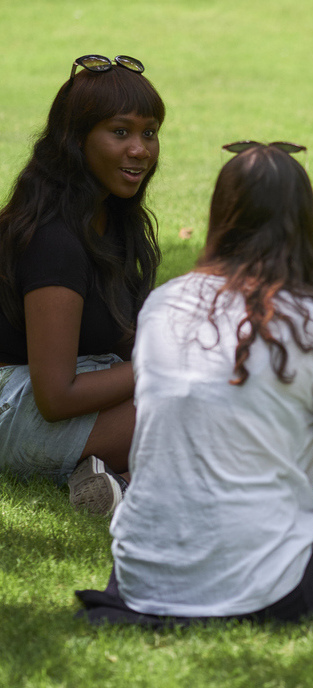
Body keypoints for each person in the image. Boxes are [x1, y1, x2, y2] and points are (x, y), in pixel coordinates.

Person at [76, 142, 313, 626]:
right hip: (260, 583)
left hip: (139, 579)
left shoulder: (162, 303)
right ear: (304, 221)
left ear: (221, 217)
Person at [0, 55, 164, 516]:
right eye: (120, 132)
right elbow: (56, 397)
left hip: (74, 387)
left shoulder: (111, 220)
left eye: (149, 132)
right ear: (75, 140)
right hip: (18, 407)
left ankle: (115, 480)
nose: (140, 149)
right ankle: (130, 484)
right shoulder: (54, 240)